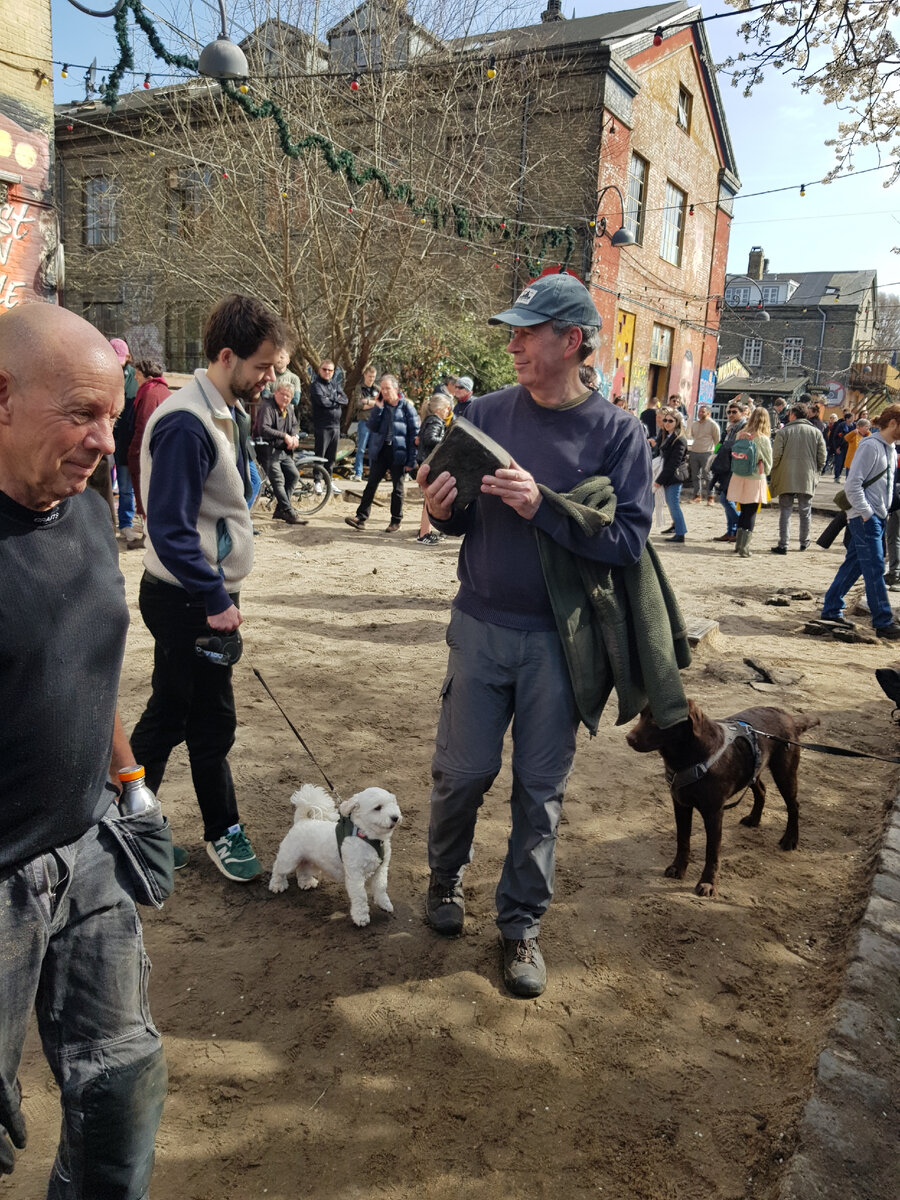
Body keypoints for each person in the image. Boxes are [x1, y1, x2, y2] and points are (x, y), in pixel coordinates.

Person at [417, 273, 652, 997]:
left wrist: (541, 507)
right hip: (480, 625)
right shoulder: (483, 413)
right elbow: (460, 518)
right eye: (512, 333)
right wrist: (441, 509)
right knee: (462, 773)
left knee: (539, 792)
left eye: (527, 333)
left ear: (571, 341)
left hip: (561, 641)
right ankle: (445, 875)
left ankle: (520, 925)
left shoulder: (618, 434)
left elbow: (628, 542)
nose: (513, 345)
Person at [0, 304, 167, 1193]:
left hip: (89, 851)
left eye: (112, 415)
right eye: (81, 414)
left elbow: (87, 659)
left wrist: (130, 782)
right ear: (1, 398)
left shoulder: (88, 510)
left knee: (122, 1091)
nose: (106, 440)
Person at [130, 294, 286, 881]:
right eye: (262, 366)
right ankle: (206, 830)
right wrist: (214, 596)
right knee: (195, 718)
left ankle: (131, 827)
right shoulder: (186, 423)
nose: (270, 377)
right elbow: (169, 527)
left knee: (178, 712)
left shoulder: (224, 410)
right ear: (226, 356)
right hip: (188, 598)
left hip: (201, 592)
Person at [821, 406, 900, 639]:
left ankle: (831, 608)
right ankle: (883, 621)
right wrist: (866, 513)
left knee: (855, 564)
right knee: (875, 567)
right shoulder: (870, 446)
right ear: (893, 423)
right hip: (867, 517)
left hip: (876, 515)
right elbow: (853, 484)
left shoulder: (889, 448)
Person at [344, 375, 419, 533]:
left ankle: (395, 520)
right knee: (371, 484)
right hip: (381, 450)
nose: (384, 391)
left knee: (397, 488)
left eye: (387, 388)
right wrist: (377, 407)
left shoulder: (406, 407)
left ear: (396, 389)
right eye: (382, 388)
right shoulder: (381, 406)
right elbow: (372, 426)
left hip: (398, 452)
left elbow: (414, 435)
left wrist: (411, 460)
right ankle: (360, 518)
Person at [768, 401, 827, 554]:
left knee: (785, 510)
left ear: (793, 415)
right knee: (805, 510)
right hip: (807, 475)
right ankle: (804, 541)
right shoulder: (816, 432)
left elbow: (776, 456)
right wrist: (816, 472)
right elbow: (822, 457)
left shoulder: (784, 432)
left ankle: (783, 544)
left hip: (786, 475)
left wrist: (774, 471)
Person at [127, 356, 171, 542]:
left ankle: (149, 535)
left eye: (137, 375)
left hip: (147, 453)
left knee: (146, 492)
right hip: (164, 452)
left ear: (148, 377)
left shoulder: (149, 393)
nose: (135, 378)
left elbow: (143, 426)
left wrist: (133, 452)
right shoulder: (165, 391)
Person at [726, 404, 773, 557]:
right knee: (751, 512)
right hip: (755, 477)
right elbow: (768, 463)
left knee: (743, 510)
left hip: (738, 476)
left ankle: (738, 544)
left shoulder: (741, 434)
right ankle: (744, 548)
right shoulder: (763, 439)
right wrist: (765, 473)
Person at [256, 382, 305, 525]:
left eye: (289, 396)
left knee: (294, 475)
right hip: (267, 449)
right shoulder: (267, 407)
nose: (285, 398)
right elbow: (263, 428)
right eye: (283, 394)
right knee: (278, 480)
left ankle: (280, 509)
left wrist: (294, 437)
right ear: (276, 393)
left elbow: (294, 425)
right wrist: (284, 436)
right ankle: (288, 511)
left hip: (283, 450)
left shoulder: (289, 408)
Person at [110, 336, 141, 545]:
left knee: (126, 487)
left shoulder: (133, 380)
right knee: (108, 486)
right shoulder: (105, 374)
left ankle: (126, 523)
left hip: (125, 441)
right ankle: (111, 523)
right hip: (110, 440)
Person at [709, 399, 749, 542]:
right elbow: (721, 444)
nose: (731, 414)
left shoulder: (744, 427)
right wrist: (715, 453)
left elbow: (739, 447)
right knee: (726, 498)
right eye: (729, 412)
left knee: (726, 499)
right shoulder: (730, 428)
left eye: (734, 412)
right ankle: (731, 531)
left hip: (735, 467)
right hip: (726, 466)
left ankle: (741, 527)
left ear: (742, 413)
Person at [416, 393, 452, 545]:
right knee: (429, 501)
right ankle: (424, 533)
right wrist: (446, 441)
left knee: (428, 500)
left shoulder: (429, 420)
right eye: (446, 409)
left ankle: (425, 531)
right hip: (430, 464)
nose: (448, 412)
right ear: (439, 409)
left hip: (425, 463)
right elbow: (430, 439)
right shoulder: (435, 421)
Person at [310, 359, 348, 492]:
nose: (327, 372)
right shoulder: (316, 385)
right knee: (320, 456)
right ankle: (317, 482)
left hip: (335, 426)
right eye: (324, 369)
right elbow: (322, 402)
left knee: (331, 457)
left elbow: (345, 399)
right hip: (322, 426)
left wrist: (331, 398)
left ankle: (328, 482)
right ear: (319, 370)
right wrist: (336, 400)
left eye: (330, 370)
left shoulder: (335, 384)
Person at [655, 408, 689, 542]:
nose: (667, 423)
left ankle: (680, 533)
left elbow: (673, 463)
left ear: (677, 422)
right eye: (665, 420)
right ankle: (678, 530)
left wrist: (659, 480)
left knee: (673, 504)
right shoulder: (667, 436)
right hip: (669, 475)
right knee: (671, 503)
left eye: (670, 421)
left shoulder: (679, 439)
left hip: (674, 476)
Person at [687, 402, 720, 503]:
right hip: (694, 451)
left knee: (708, 476)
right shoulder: (694, 424)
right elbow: (692, 436)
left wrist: (716, 454)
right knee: (695, 475)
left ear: (708, 413)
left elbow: (717, 440)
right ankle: (697, 495)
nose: (700, 413)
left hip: (707, 453)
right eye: (699, 411)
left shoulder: (713, 425)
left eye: (703, 412)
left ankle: (711, 496)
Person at [353, 363, 379, 479]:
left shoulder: (377, 389)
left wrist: (367, 401)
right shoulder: (359, 388)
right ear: (365, 375)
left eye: (373, 377)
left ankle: (373, 474)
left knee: (374, 449)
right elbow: (358, 405)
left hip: (375, 422)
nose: (371, 379)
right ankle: (358, 472)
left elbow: (381, 404)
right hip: (364, 421)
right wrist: (373, 402)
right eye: (370, 377)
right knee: (361, 448)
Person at [829, 410, 855, 480]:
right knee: (839, 462)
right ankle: (837, 476)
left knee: (845, 463)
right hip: (840, 447)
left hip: (849, 447)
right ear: (847, 419)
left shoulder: (854, 426)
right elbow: (835, 437)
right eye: (852, 418)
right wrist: (837, 447)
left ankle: (847, 477)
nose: (853, 419)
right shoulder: (841, 426)